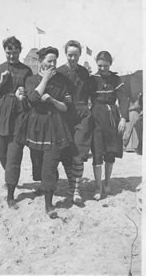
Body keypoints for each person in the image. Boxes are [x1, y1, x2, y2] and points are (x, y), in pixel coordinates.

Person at [17, 46, 74, 218]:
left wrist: (52, 100)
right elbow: (33, 99)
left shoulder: (63, 81)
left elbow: (66, 107)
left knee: (50, 163)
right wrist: (46, 79)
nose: (53, 64)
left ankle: (49, 204)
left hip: (55, 125)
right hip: (36, 126)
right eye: (49, 61)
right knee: (39, 162)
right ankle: (44, 186)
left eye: (55, 61)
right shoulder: (32, 80)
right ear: (41, 61)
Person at [0, 36, 34, 209]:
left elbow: (31, 93)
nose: (12, 56)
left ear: (19, 51)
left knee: (14, 156)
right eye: (8, 52)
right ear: (4, 51)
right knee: (2, 155)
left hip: (19, 115)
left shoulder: (26, 71)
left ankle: (11, 195)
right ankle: (9, 177)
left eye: (15, 52)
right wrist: (0, 83)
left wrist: (24, 92)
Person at [87, 51, 129, 200]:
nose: (102, 68)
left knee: (110, 153)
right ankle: (98, 186)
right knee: (97, 152)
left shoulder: (116, 79)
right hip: (96, 117)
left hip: (112, 118)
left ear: (110, 64)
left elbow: (124, 99)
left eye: (105, 66)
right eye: (99, 66)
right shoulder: (92, 79)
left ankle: (107, 182)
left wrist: (123, 118)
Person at [56, 40, 92, 203]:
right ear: (65, 54)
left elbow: (91, 93)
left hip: (83, 114)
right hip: (64, 116)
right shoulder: (59, 72)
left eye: (75, 55)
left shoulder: (84, 72)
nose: (72, 58)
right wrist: (62, 97)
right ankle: (72, 184)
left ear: (80, 55)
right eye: (70, 55)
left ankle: (76, 190)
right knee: (66, 154)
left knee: (78, 153)